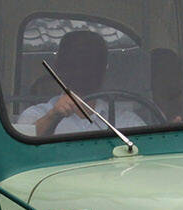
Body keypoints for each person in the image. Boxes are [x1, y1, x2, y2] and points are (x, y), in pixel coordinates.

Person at [17, 30, 145, 137]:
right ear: (59, 68)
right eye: (74, 62)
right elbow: (20, 150)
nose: (83, 69)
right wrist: (53, 116)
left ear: (104, 68)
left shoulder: (127, 121)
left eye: (91, 63)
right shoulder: (35, 115)